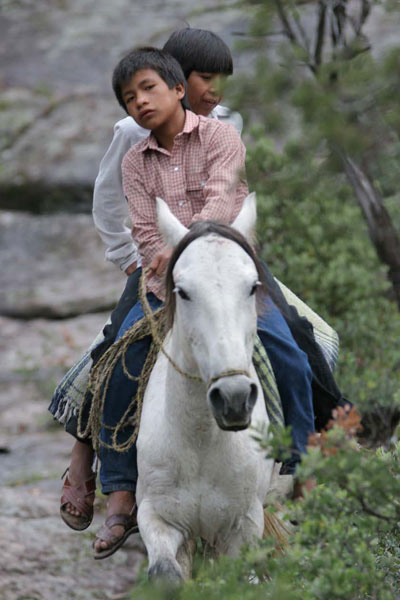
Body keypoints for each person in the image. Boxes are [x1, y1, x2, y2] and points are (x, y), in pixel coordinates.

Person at [91, 47, 314, 559]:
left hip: (229, 267)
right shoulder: (134, 160)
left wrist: (189, 246)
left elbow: (221, 199)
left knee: (292, 351)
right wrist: (163, 261)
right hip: (166, 279)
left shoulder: (221, 136)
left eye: (148, 89)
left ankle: (301, 466)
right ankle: (121, 489)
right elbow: (145, 229)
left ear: (177, 89)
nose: (140, 102)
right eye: (129, 98)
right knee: (117, 361)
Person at [57, 28, 245, 531]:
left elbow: (226, 198)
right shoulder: (132, 138)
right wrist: (130, 258)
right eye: (207, 77)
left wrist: (200, 249)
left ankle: (308, 448)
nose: (216, 89)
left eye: (221, 79)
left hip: (222, 257)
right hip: (155, 268)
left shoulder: (227, 127)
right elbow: (117, 207)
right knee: (115, 349)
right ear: (178, 78)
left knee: (292, 334)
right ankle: (100, 471)